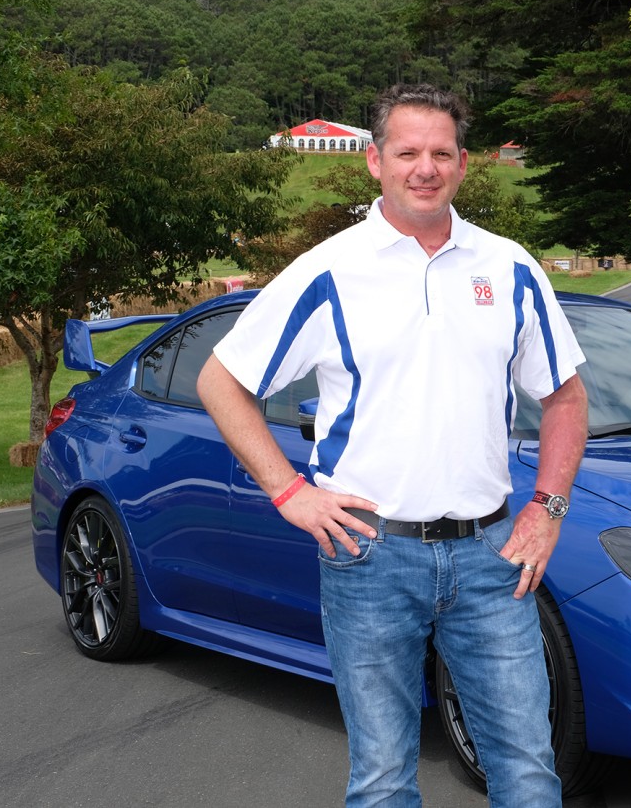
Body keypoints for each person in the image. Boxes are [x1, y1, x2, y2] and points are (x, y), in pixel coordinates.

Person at [197, 83, 588, 808]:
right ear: (374, 161)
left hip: (491, 555)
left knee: (530, 771)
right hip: (369, 556)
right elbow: (221, 381)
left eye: (441, 152)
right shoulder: (331, 268)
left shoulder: (509, 266)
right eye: (407, 152)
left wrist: (549, 507)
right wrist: (291, 492)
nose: (425, 168)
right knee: (381, 781)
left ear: (465, 164)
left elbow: (565, 396)